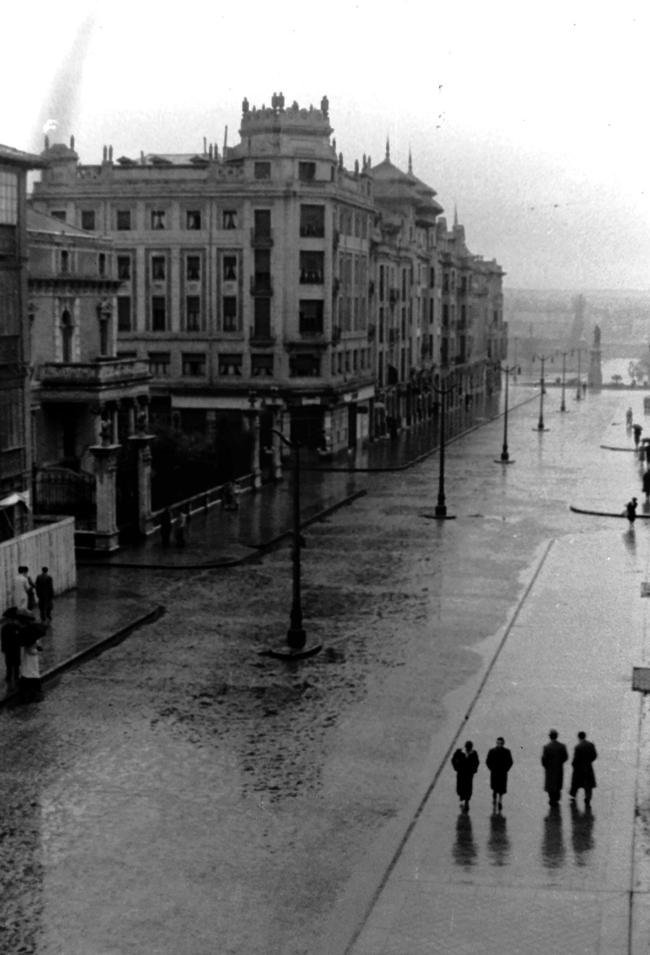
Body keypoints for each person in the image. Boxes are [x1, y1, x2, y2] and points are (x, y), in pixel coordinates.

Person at [19, 620, 45, 703]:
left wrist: (38, 647)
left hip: (30, 661)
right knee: (32, 673)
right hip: (30, 660)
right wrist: (37, 651)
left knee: (29, 673)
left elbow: (36, 645)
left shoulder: (32, 639)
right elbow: (31, 652)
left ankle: (28, 693)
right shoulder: (28, 642)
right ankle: (35, 692)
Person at [569, 731, 597, 807]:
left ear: (579, 737)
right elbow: (594, 756)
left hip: (579, 769)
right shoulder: (591, 745)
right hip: (588, 767)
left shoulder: (578, 747)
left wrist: (574, 765)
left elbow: (575, 759)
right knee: (588, 785)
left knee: (576, 783)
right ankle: (588, 798)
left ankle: (573, 796)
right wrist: (589, 761)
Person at [486, 736, 514, 812]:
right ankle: (495, 798)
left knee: (501, 789)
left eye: (500, 743)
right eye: (498, 743)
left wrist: (506, 769)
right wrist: (491, 769)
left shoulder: (507, 752)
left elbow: (510, 762)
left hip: (502, 773)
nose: (499, 744)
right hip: (495, 772)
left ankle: (500, 801)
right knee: (495, 788)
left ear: (503, 743)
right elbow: (488, 761)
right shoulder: (492, 751)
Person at [541, 729, 568, 807]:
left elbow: (544, 759)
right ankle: (557, 799)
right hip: (559, 768)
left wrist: (546, 766)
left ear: (550, 737)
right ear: (557, 736)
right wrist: (560, 762)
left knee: (550, 785)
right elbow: (565, 757)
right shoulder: (562, 746)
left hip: (549, 769)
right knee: (558, 784)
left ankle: (552, 799)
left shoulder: (546, 747)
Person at [451, 740, 480, 812]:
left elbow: (477, 763)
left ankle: (467, 802)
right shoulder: (459, 752)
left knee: (468, 788)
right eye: (467, 748)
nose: (468, 750)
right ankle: (462, 796)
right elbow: (453, 760)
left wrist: (474, 770)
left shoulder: (474, 753)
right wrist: (456, 768)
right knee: (460, 787)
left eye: (469, 748)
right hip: (461, 773)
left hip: (469, 774)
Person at [1, 608, 22, 687]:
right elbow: (3, 639)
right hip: (9, 648)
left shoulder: (16, 627)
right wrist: (3, 648)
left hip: (15, 648)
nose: (10, 621)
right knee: (9, 663)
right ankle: (9, 676)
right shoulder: (5, 628)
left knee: (16, 663)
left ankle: (15, 676)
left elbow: (20, 637)